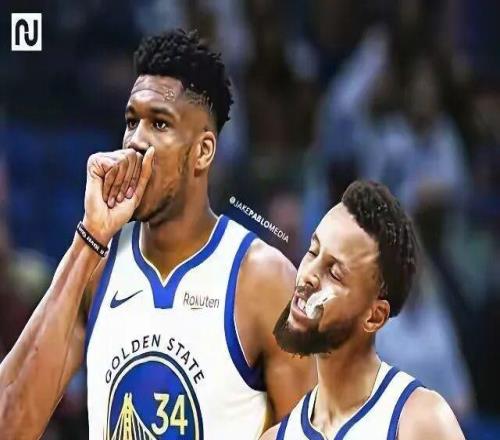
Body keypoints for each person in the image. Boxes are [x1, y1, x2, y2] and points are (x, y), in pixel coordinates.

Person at [0, 29, 315, 439]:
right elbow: (10, 425)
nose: (136, 141)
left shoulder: (263, 281)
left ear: (203, 151)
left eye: (159, 123)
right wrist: (89, 237)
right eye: (131, 121)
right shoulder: (96, 267)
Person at [261, 181, 465, 439]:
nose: (309, 274)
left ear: (374, 316)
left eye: (334, 273)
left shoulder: (421, 421)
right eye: (313, 252)